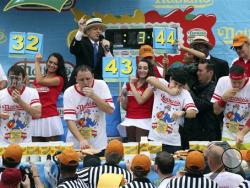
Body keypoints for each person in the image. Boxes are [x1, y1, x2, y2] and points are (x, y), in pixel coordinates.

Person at [64, 65, 114, 155]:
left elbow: (110, 110)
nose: (85, 82)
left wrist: (93, 96)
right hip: (77, 145)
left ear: (93, 76)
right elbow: (69, 120)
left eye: (88, 79)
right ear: (76, 79)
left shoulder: (101, 85)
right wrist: (81, 140)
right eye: (81, 80)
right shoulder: (69, 92)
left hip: (98, 144)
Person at [147, 70, 198, 153]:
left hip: (173, 142)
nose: (177, 87)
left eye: (180, 86)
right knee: (153, 164)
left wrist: (183, 113)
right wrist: (169, 91)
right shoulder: (161, 83)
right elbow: (149, 79)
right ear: (170, 79)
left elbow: (193, 113)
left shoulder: (185, 94)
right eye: (175, 83)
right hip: (154, 139)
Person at [181, 60, 221, 149]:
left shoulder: (215, 88)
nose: (197, 73)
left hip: (206, 134)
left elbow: (200, 105)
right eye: (197, 70)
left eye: (200, 71)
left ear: (210, 73)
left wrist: (188, 91)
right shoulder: (194, 85)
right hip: (190, 133)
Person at [0, 65, 41, 144]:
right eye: (11, 78)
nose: (14, 82)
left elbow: (37, 114)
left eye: (17, 79)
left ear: (24, 79)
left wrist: (20, 102)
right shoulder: (1, 94)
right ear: (7, 78)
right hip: (4, 143)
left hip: (25, 143)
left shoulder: (32, 92)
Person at [32, 53, 68, 142]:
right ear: (47, 62)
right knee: (36, 153)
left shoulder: (59, 79)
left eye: (55, 64)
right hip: (36, 118)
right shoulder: (40, 78)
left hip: (50, 119)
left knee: (52, 153)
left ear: (59, 66)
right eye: (50, 62)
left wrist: (37, 62)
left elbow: (40, 81)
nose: (52, 65)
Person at [211, 65, 250, 146]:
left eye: (240, 82)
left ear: (245, 77)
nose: (236, 85)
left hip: (247, 132)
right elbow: (216, 111)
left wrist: (242, 133)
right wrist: (223, 99)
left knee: (246, 158)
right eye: (233, 82)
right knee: (228, 157)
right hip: (228, 131)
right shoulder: (223, 81)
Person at [69, 17, 113, 85]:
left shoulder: (107, 44)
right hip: (80, 81)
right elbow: (73, 50)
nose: (98, 31)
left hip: (99, 82)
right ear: (88, 32)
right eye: (95, 29)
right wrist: (80, 30)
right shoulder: (81, 42)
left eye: (100, 29)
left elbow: (111, 66)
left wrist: (107, 51)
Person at [119, 58, 155, 142]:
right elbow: (125, 107)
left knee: (141, 147)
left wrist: (131, 85)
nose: (142, 70)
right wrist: (123, 99)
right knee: (131, 147)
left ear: (149, 70)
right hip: (129, 118)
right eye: (139, 68)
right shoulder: (129, 84)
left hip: (144, 119)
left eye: (145, 68)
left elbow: (141, 100)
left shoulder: (150, 83)